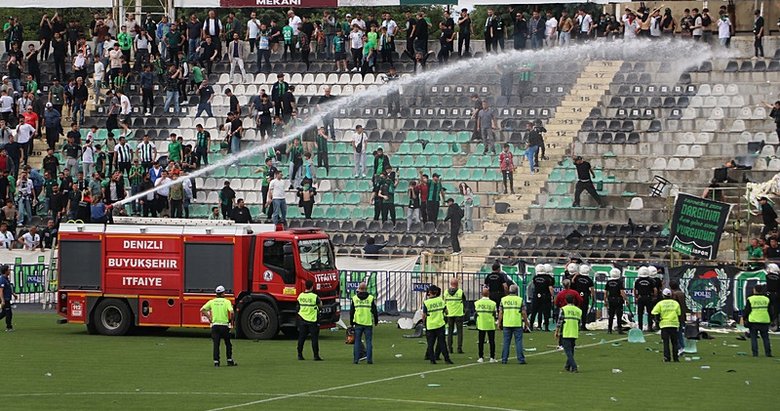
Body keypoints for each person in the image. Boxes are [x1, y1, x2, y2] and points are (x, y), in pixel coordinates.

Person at [200, 285, 236, 367]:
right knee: (228, 344)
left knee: (216, 344)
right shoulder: (226, 301)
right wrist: (231, 321)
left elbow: (202, 309)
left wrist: (209, 318)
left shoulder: (212, 302)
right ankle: (229, 360)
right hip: (224, 326)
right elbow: (232, 312)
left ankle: (216, 362)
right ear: (223, 293)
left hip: (215, 326)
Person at [499, 284, 529, 364]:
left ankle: (504, 359)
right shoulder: (520, 300)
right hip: (517, 323)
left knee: (506, 342)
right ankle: (521, 359)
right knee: (518, 342)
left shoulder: (503, 299)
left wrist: (499, 322)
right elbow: (523, 312)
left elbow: (501, 312)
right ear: (516, 291)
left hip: (506, 323)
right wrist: (526, 323)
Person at [422, 285, 452, 365]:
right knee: (442, 343)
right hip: (440, 324)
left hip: (430, 325)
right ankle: (447, 359)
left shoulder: (426, 302)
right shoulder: (441, 300)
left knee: (430, 344)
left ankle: (432, 360)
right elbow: (446, 312)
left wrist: (424, 322)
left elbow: (424, 315)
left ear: (429, 292)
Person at [652, 288, 683, 362]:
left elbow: (654, 312)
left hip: (664, 324)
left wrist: (658, 320)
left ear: (663, 295)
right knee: (674, 342)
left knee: (666, 342)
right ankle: (676, 358)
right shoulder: (675, 303)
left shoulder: (660, 303)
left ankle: (667, 357)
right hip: (674, 324)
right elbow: (679, 314)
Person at [350, 282, 378, 364]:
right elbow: (374, 311)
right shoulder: (370, 298)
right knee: (368, 342)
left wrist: (351, 322)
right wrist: (376, 321)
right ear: (366, 289)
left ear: (359, 289)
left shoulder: (355, 298)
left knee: (357, 341)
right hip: (368, 322)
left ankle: (356, 359)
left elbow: (352, 312)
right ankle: (369, 359)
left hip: (358, 322)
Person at [297, 280, 323, 361]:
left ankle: (299, 355)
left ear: (305, 286)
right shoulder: (314, 296)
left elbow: (297, 307)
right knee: (314, 339)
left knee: (301, 338)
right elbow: (320, 306)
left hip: (302, 319)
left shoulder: (300, 296)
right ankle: (316, 356)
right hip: (312, 319)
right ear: (312, 287)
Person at [744, 284, 773, 357]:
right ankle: (768, 353)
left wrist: (744, 318)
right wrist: (771, 319)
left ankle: (755, 353)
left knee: (753, 338)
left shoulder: (750, 299)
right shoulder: (766, 299)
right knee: (765, 338)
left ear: (754, 290)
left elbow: (747, 310)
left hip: (753, 320)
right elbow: (770, 310)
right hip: (764, 320)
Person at [556, 294, 582, 372]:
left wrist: (556, 331)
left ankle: (574, 367)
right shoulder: (578, 310)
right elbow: (579, 322)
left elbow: (560, 321)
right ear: (573, 300)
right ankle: (567, 366)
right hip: (574, 332)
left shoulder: (564, 309)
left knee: (568, 351)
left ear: (566, 301)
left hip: (566, 331)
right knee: (571, 350)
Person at [475, 287, 497, 363]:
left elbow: (476, 313)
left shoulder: (477, 303)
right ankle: (492, 357)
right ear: (489, 294)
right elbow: (494, 314)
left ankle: (481, 357)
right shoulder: (493, 303)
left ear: (482, 294)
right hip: (490, 324)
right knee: (492, 341)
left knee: (481, 341)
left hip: (481, 324)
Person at [444, 278, 466, 354]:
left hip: (449, 314)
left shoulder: (446, 292)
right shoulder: (460, 292)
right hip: (459, 313)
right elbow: (464, 302)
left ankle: (449, 348)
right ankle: (459, 348)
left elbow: (444, 302)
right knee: (460, 332)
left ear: (451, 284)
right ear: (457, 284)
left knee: (450, 331)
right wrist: (464, 310)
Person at [530, 264, 554, 331]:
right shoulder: (549, 278)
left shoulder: (535, 278)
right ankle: (546, 327)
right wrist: (552, 296)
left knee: (534, 311)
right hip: (545, 295)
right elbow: (550, 288)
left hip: (536, 295)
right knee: (546, 312)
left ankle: (531, 326)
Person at [571, 264, 594, 331]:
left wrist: (576, 275)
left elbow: (572, 281)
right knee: (584, 312)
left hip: (577, 296)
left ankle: (576, 325)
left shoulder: (577, 278)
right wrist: (593, 297)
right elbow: (592, 289)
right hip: (585, 296)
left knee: (576, 311)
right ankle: (583, 326)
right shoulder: (589, 279)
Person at [605, 268, 627, 334]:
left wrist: (605, 300)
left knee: (611, 315)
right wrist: (626, 299)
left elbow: (605, 292)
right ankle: (619, 329)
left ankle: (609, 329)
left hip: (611, 299)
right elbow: (622, 292)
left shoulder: (608, 282)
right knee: (619, 315)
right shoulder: (619, 282)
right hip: (618, 299)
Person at [634, 266, 656, 332]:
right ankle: (650, 327)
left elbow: (635, 290)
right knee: (650, 313)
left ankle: (640, 327)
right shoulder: (651, 280)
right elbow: (655, 290)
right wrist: (654, 296)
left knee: (640, 313)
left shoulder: (638, 280)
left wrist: (636, 297)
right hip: (648, 297)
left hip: (640, 297)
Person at [0, 265, 15, 331]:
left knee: (4, 313)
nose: (9, 271)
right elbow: (1, 291)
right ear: (5, 271)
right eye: (8, 270)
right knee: (8, 313)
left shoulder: (6, 279)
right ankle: (9, 327)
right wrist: (2, 300)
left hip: (7, 298)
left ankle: (9, 327)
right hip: (5, 299)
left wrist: (13, 294)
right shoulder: (2, 279)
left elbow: (8, 288)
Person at [766, 263, 780, 328]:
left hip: (769, 294)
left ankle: (771, 321)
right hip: (777, 294)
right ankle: (775, 322)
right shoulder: (778, 277)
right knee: (776, 309)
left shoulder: (767, 276)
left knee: (769, 308)